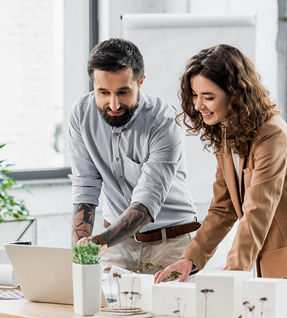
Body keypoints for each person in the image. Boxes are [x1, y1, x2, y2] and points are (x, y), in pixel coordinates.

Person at [155, 44, 287, 284]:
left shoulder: (272, 136)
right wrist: (190, 259)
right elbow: (222, 208)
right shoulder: (227, 134)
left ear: (235, 95)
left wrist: (232, 275)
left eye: (208, 97)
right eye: (195, 95)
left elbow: (257, 211)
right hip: (267, 259)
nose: (197, 105)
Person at [69, 38, 198, 274]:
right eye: (103, 92)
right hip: (115, 246)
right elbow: (85, 185)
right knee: (106, 311)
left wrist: (97, 243)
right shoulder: (81, 115)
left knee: (171, 311)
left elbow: (147, 201)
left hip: (171, 245)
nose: (114, 103)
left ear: (141, 82)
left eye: (123, 92)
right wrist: (80, 250)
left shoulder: (164, 120)